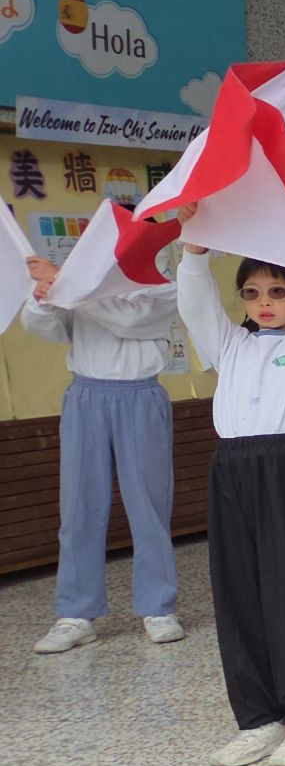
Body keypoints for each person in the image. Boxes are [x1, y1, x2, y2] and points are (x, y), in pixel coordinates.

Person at [174, 245, 285, 766]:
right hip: (231, 467)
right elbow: (196, 305)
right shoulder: (230, 344)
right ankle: (258, 718)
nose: (264, 302)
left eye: (278, 291)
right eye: (251, 293)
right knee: (237, 590)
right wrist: (194, 255)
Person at [23, 237, 184, 656]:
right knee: (78, 508)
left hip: (140, 396)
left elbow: (128, 320)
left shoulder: (163, 286)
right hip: (85, 396)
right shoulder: (80, 285)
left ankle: (158, 608)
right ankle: (76, 614)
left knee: (149, 507)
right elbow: (44, 327)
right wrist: (44, 297)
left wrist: (67, 284)